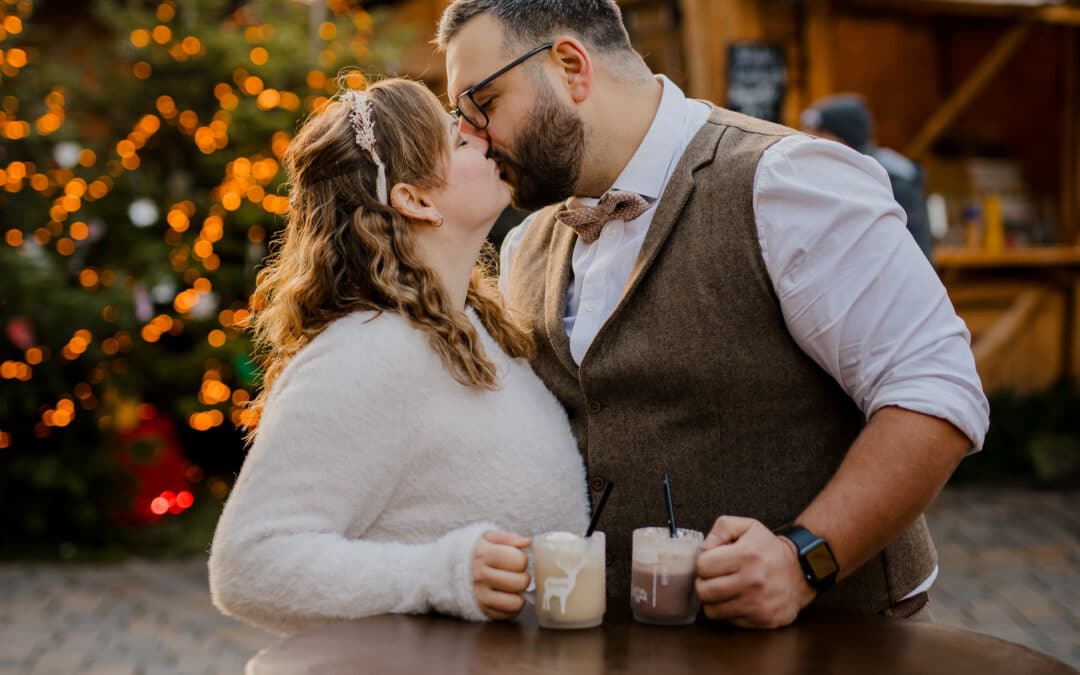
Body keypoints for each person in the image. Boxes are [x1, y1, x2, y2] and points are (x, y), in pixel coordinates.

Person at [436, 0, 989, 628]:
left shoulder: (784, 180)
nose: (471, 134)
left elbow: (936, 391)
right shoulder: (523, 245)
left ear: (570, 66)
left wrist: (804, 558)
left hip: (826, 644)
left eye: (482, 102)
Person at [207, 78, 590, 635]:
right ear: (413, 199)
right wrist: (439, 574)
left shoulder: (479, 328)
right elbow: (250, 564)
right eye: (458, 143)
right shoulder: (367, 351)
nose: (482, 139)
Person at [801, 94, 934, 260]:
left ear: (842, 138)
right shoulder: (845, 173)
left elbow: (915, 251)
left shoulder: (890, 179)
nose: (810, 140)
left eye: (819, 133)